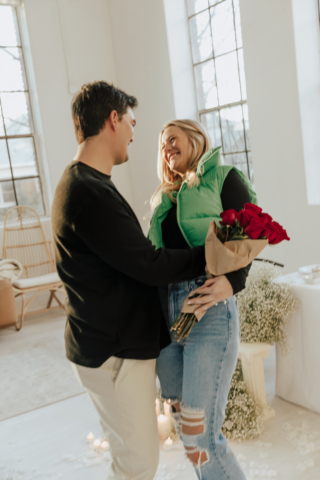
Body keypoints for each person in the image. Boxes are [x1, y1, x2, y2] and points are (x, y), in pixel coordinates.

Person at [51, 82, 223, 480]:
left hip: (110, 344)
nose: (133, 131)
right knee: (138, 463)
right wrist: (213, 254)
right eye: (130, 121)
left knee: (134, 460)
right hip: (114, 351)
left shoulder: (85, 182)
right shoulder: (88, 192)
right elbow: (147, 264)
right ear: (112, 119)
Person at [148, 119, 257, 480]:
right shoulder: (164, 199)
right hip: (169, 320)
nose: (167, 148)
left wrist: (233, 281)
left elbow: (253, 229)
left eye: (172, 139)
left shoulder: (223, 177)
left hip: (210, 311)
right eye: (162, 145)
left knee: (202, 436)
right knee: (187, 435)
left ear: (194, 138)